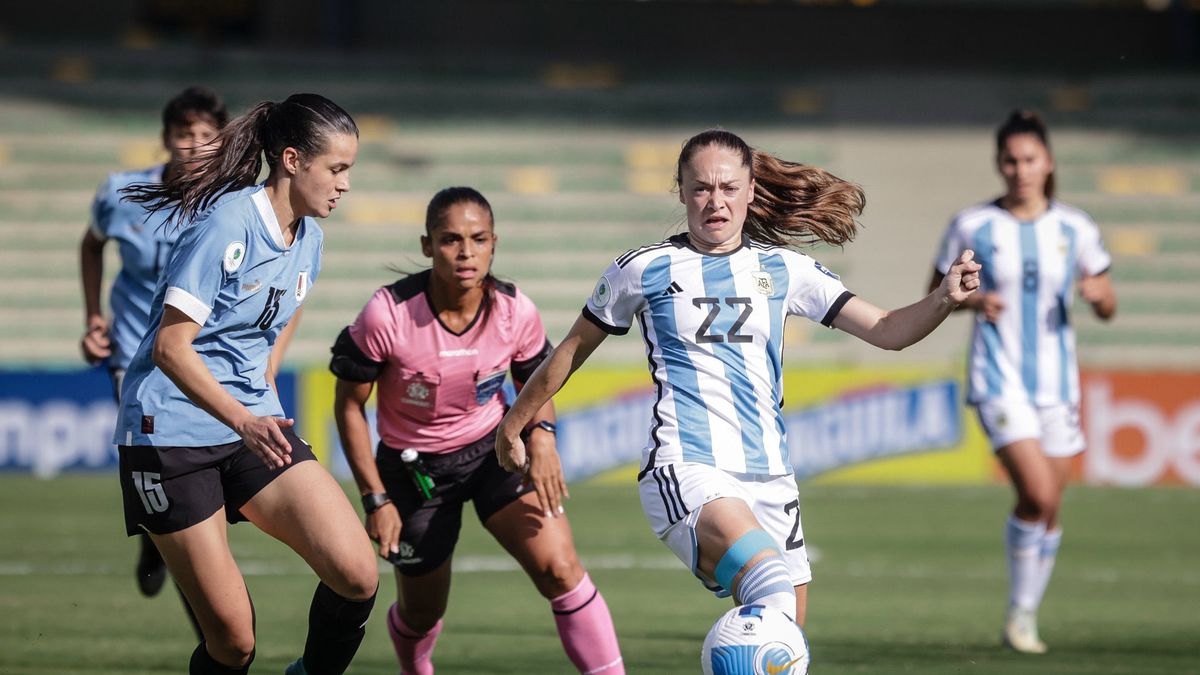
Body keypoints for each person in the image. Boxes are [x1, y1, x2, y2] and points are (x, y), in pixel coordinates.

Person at [495, 128, 981, 635]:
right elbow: (569, 352)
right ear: (680, 190)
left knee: (786, 646)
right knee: (769, 583)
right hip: (688, 468)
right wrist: (516, 424)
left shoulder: (785, 270)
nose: (715, 201)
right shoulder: (643, 269)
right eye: (701, 187)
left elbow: (888, 331)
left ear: (751, 190)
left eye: (728, 188)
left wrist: (944, 297)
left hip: (772, 478)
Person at [116, 93, 378, 675]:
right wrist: (243, 417)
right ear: (291, 160)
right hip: (170, 433)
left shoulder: (310, 237)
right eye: (337, 169)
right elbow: (169, 347)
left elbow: (284, 310)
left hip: (250, 424)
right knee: (233, 643)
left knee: (357, 572)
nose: (345, 184)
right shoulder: (229, 221)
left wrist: (259, 389)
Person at [331, 186, 625, 675]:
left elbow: (537, 385)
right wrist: (376, 499)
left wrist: (542, 435)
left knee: (561, 569)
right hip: (414, 472)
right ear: (427, 246)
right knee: (423, 612)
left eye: (478, 238)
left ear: (494, 243)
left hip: (493, 452)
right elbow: (348, 409)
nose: (466, 252)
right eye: (450, 240)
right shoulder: (388, 314)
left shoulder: (515, 311)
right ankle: (415, 667)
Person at [928, 110, 1117, 654]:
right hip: (998, 379)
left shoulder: (1075, 228)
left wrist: (1101, 298)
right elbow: (937, 292)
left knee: (1051, 505)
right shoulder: (973, 225)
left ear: (1048, 163)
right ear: (999, 165)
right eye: (1010, 160)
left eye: (1029, 158)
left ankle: (1023, 614)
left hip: (1058, 386)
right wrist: (973, 299)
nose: (1019, 169)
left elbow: (1106, 300)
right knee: (1035, 492)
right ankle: (1021, 612)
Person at [80, 85, 227, 628]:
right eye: (183, 134)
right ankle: (217, 641)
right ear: (165, 139)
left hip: (202, 360)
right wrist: (94, 317)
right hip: (137, 364)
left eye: (207, 136)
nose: (194, 145)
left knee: (197, 490)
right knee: (179, 486)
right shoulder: (122, 193)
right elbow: (91, 244)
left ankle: (151, 535)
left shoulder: (231, 205)